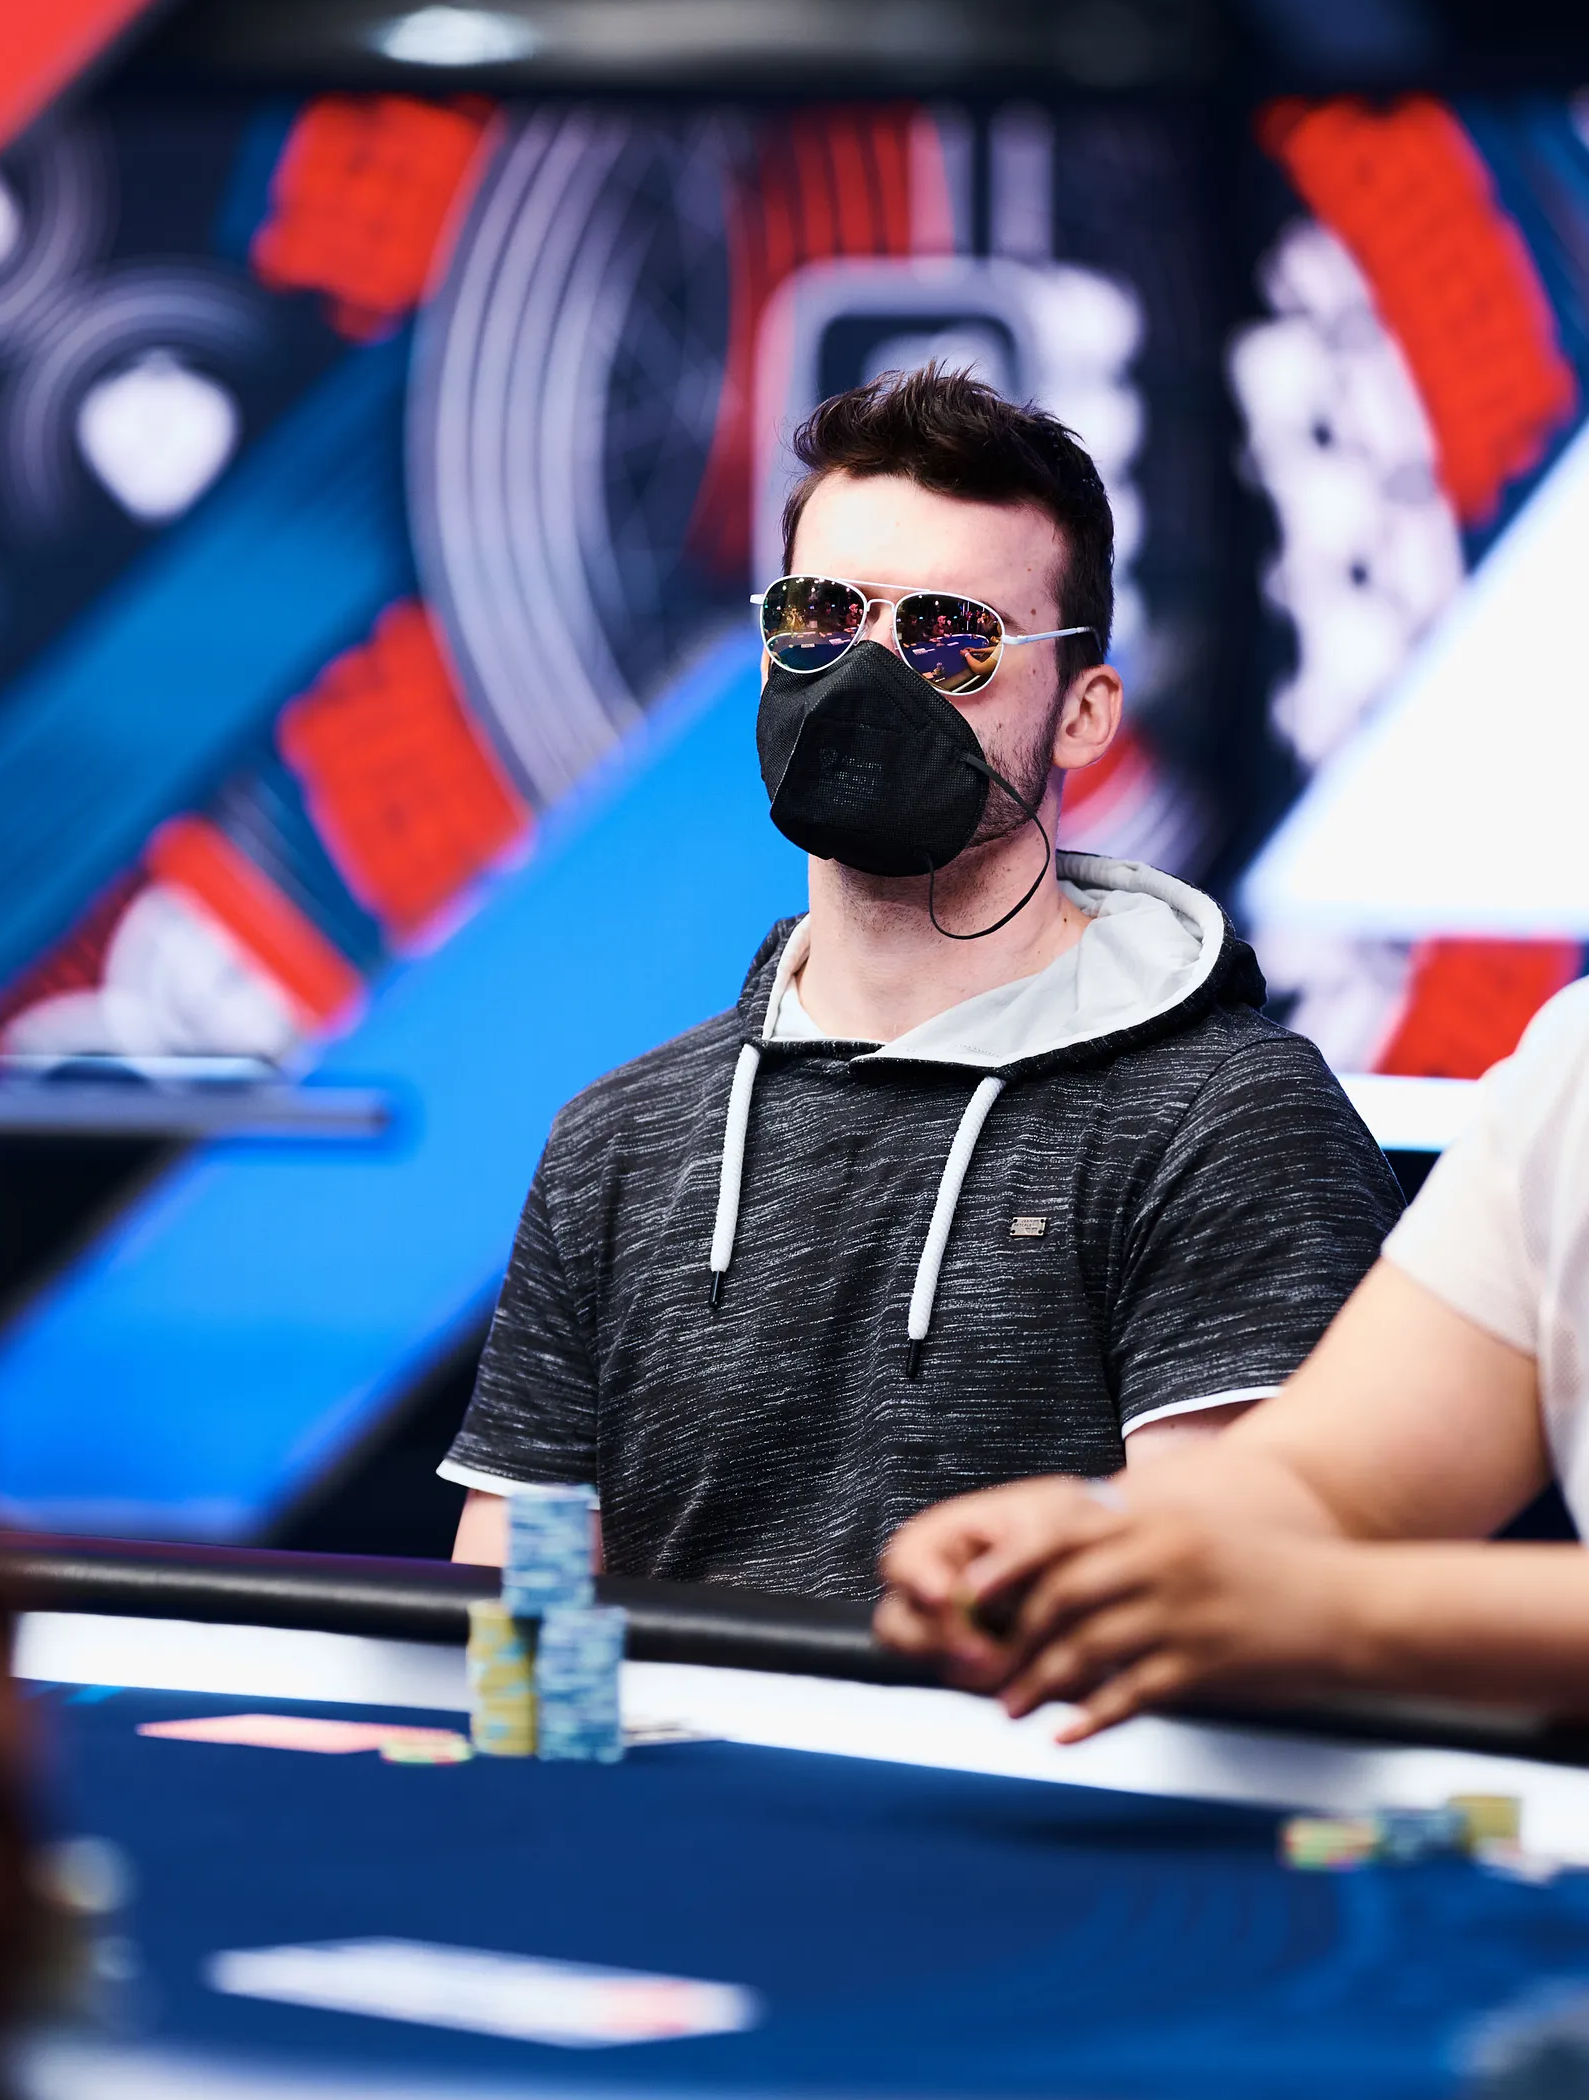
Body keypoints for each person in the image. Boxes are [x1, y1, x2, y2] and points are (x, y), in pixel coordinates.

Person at [441, 366, 1401, 1598]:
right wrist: (550, 1718)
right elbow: (524, 1624)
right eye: (820, 617)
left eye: (951, 638)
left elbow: (1216, 1610)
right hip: (664, 1742)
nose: (866, 675)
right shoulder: (617, 1144)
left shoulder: (1227, 1119)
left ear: (1083, 712)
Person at [875, 975, 1589, 1734]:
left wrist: (1339, 1611)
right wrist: (1088, 1534)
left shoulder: (1236, 1092)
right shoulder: (1570, 1059)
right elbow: (1329, 1481)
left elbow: (1322, 1555)